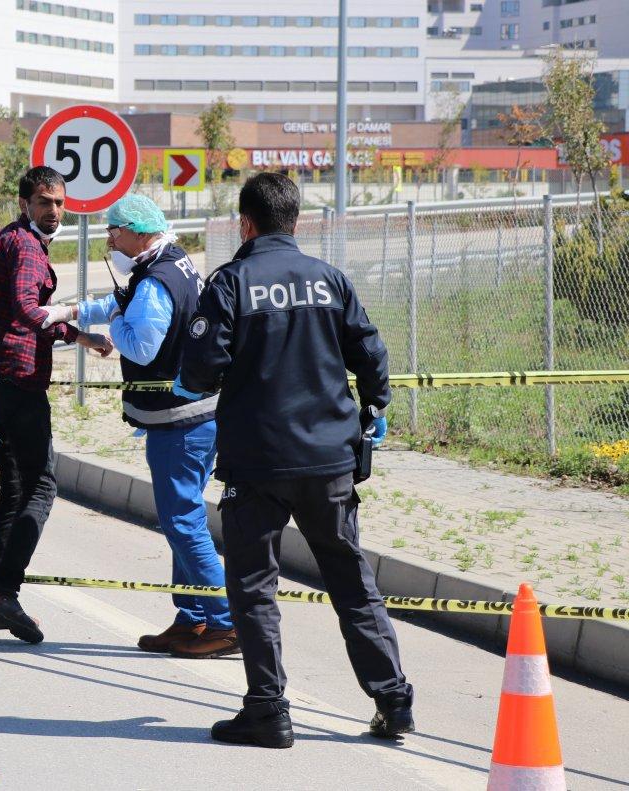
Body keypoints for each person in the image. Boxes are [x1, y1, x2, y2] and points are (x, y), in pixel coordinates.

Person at [175, 172, 411, 748]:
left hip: (258, 464)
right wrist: (375, 403)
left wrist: (194, 379)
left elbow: (200, 370)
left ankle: (268, 711)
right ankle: (394, 701)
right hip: (330, 460)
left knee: (255, 588)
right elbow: (372, 354)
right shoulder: (331, 279)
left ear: (246, 224)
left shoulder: (231, 282)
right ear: (296, 222)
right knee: (352, 581)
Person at [46, 194, 237, 659]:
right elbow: (124, 300)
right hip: (191, 415)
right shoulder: (171, 264)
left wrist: (110, 329)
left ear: (137, 230)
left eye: (114, 229)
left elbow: (142, 346)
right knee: (180, 520)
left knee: (183, 521)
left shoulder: (156, 281)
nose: (109, 237)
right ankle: (191, 618)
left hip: (180, 421)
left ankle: (226, 621)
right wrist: (70, 313)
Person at [0, 165, 113, 643]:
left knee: (14, 484)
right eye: (45, 203)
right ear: (25, 205)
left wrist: (80, 337)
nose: (54, 211)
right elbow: (31, 312)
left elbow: (28, 314)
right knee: (41, 487)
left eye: (59, 202)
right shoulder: (28, 247)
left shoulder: (9, 238)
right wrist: (81, 311)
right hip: (18, 382)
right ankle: (4, 590)